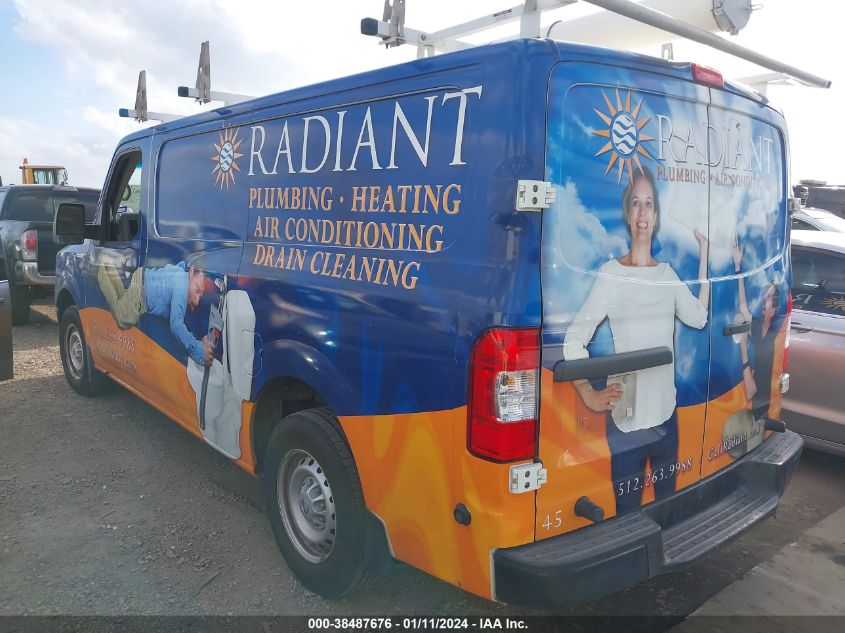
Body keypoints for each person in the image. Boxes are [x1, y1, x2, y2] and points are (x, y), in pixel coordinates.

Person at [563, 167, 709, 513]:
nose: (642, 212)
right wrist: (589, 393)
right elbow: (574, 340)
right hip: (625, 424)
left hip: (665, 419)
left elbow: (698, 318)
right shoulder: (611, 275)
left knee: (667, 511)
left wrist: (704, 253)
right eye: (635, 203)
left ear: (656, 216)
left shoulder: (667, 275)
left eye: (649, 204)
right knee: (627, 515)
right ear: (628, 214)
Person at [97, 261, 213, 367]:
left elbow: (182, 318)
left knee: (123, 303)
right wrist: (199, 351)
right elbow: (176, 325)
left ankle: (109, 270)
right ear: (191, 272)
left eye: (200, 295)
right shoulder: (182, 285)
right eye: (197, 290)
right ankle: (102, 272)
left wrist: (200, 339)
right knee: (121, 318)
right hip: (141, 290)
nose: (197, 300)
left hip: (142, 280)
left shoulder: (180, 275)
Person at [733, 235, 779, 416]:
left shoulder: (767, 343)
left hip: (758, 416)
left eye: (769, 298)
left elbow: (751, 392)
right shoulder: (761, 330)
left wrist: (743, 349)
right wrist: (738, 267)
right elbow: (744, 307)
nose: (764, 300)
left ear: (773, 310)